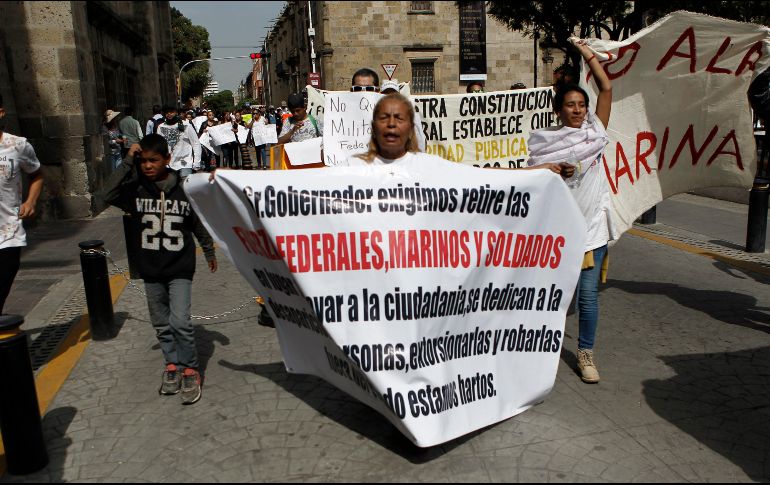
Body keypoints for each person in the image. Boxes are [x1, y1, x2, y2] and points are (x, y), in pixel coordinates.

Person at [98, 134, 217, 404]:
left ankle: (190, 368)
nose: (148, 166)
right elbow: (106, 194)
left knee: (180, 322)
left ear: (167, 159)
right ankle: (172, 365)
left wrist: (208, 250)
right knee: (162, 324)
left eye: (154, 161)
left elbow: (197, 223)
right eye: (143, 161)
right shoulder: (136, 189)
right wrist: (128, 161)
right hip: (150, 269)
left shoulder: (184, 188)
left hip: (180, 268)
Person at [527, 39, 613, 384]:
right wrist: (551, 170)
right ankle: (538, 349)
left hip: (593, 228)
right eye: (570, 105)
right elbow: (531, 176)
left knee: (589, 296)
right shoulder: (543, 143)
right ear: (558, 111)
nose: (577, 110)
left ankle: (586, 353)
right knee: (555, 296)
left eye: (581, 105)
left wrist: (586, 54)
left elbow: (606, 87)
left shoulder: (596, 132)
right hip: (560, 232)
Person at [0, 93, 44, 315]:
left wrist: (30, 201)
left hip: (8, 233)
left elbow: (37, 174)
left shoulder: (18, 145)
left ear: (1, 112)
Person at [154, 106, 201, 178]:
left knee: (184, 186)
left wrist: (196, 162)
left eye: (171, 112)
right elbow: (159, 146)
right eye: (167, 112)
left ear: (176, 113)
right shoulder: (161, 127)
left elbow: (196, 143)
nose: (169, 114)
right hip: (169, 164)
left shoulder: (186, 125)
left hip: (185, 162)